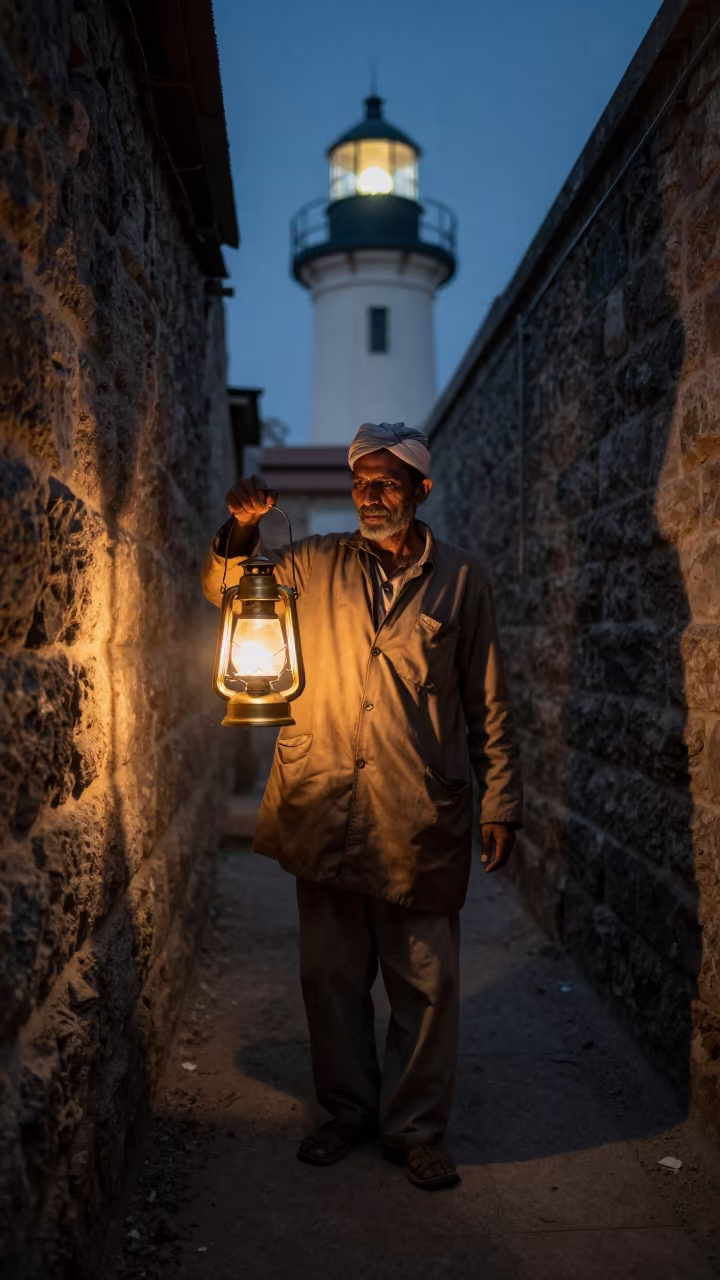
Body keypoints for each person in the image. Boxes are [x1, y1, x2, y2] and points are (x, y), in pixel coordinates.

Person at [202, 421, 523, 1190]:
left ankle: (414, 1129)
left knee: (425, 982)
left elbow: (488, 699)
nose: (370, 496)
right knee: (332, 976)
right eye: (361, 482)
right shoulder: (311, 563)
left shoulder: (463, 580)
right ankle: (346, 1111)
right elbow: (225, 590)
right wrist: (239, 530)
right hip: (326, 801)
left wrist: (500, 801)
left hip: (419, 809)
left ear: (421, 489)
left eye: (387, 483)